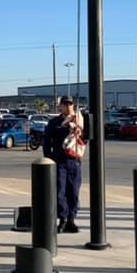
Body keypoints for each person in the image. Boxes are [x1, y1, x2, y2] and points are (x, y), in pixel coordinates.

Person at [43, 96, 85, 234]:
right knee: (60, 192)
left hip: (74, 162)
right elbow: (47, 142)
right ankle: (63, 219)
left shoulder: (79, 121)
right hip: (59, 161)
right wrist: (48, 159)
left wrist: (78, 131)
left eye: (70, 104)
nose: (67, 107)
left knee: (73, 192)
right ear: (60, 106)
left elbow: (85, 140)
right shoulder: (54, 122)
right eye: (64, 104)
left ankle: (72, 220)